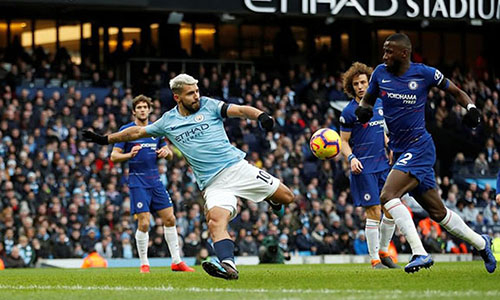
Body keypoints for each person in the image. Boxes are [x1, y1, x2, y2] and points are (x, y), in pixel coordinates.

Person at [83, 74, 295, 280]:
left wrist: (260, 116)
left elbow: (238, 109)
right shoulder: (168, 121)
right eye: (191, 93)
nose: (196, 96)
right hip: (213, 184)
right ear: (177, 97)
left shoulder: (209, 105)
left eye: (197, 91)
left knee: (287, 197)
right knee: (215, 221)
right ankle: (228, 266)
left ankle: (272, 199)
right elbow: (135, 133)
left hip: (237, 168)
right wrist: (105, 139)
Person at [355, 33, 496, 273]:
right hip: (400, 150)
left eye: (389, 51)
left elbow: (457, 92)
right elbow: (367, 101)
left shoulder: (425, 73)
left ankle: (419, 253)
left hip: (419, 146)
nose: (384, 56)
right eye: (384, 51)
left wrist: (471, 108)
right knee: (438, 213)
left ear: (404, 53)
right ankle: (483, 243)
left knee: (388, 195)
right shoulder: (379, 73)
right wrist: (364, 111)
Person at [110, 95, 194, 274]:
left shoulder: (156, 129)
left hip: (155, 181)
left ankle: (177, 261)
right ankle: (144, 264)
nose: (142, 110)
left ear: (149, 110)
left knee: (170, 218)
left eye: (145, 107)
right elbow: (114, 156)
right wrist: (128, 155)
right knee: (145, 223)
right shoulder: (126, 131)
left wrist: (166, 152)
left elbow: (169, 154)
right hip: (137, 181)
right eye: (138, 107)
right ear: (134, 111)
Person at [339, 62, 399, 269]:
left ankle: (384, 251)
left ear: (369, 82)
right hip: (363, 168)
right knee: (373, 211)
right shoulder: (349, 112)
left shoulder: (379, 104)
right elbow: (343, 141)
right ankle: (374, 259)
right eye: (356, 84)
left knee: (391, 209)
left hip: (383, 165)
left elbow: (380, 129)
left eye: (363, 82)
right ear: (351, 87)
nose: (360, 86)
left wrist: (388, 143)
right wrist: (351, 158)